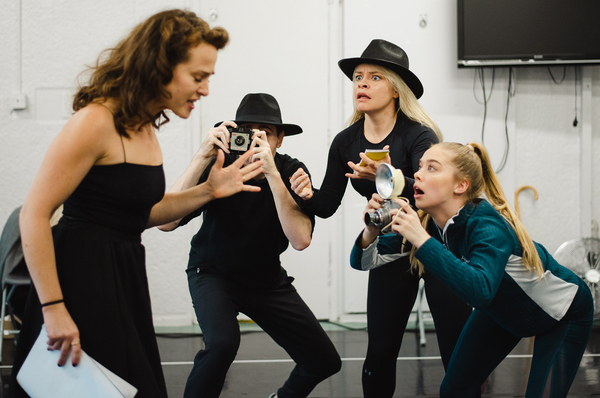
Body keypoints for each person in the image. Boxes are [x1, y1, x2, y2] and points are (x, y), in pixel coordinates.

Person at [12, 10, 265, 398]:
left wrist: (209, 190)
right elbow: (34, 214)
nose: (205, 90)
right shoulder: (96, 121)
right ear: (159, 66)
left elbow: (137, 215)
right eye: (198, 77)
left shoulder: (145, 127)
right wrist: (54, 308)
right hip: (80, 283)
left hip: (122, 279)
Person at [289, 39, 475, 397]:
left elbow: (427, 195)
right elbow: (326, 204)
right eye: (358, 77)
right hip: (394, 247)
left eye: (375, 77)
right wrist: (304, 193)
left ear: (395, 90)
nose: (362, 83)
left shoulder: (419, 134)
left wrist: (385, 176)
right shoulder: (346, 141)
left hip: (438, 246)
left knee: (455, 350)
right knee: (380, 352)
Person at [357, 142, 593, 396]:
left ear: (460, 186)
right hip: (503, 311)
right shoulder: (431, 224)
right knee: (454, 390)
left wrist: (422, 241)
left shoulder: (487, 226)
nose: (419, 174)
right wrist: (371, 229)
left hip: (562, 313)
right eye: (420, 167)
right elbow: (364, 260)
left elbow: (480, 291)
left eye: (432, 168)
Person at [158, 93, 342, 398]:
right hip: (213, 271)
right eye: (248, 133)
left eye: (265, 134)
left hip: (265, 280)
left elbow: (300, 240)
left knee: (324, 360)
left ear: (280, 140)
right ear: (235, 136)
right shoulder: (220, 164)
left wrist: (272, 175)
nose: (256, 142)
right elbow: (166, 221)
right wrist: (202, 156)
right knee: (222, 344)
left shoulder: (291, 171)